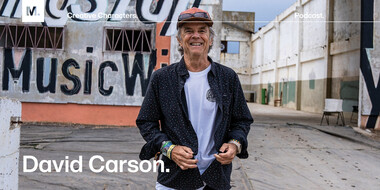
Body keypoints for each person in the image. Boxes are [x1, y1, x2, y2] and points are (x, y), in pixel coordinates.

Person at [136, 7, 253, 190]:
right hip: (174, 178)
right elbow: (146, 122)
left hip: (215, 177)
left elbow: (242, 120)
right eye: (188, 31)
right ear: (179, 40)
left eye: (202, 31)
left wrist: (234, 144)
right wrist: (169, 149)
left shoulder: (227, 78)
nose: (196, 36)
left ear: (211, 38)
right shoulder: (162, 78)